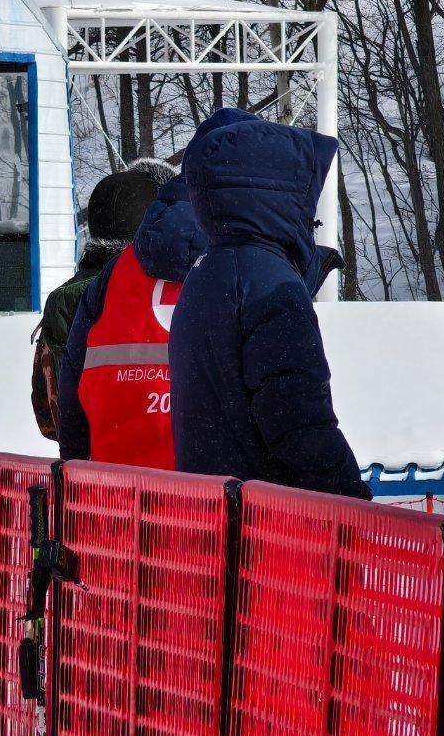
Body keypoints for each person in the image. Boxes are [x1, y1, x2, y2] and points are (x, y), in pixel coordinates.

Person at [168, 116, 367, 498]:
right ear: (280, 195)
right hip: (269, 527)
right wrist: (352, 498)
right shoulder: (269, 283)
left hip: (215, 513)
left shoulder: (207, 270)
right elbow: (297, 422)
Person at [57, 113, 258, 467]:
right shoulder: (248, 266)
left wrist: (76, 472)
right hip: (221, 498)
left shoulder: (111, 278)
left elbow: (69, 402)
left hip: (115, 493)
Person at [32, 164, 168, 442]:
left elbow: (47, 418)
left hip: (87, 472)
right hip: (167, 473)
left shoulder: (64, 299)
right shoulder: (163, 293)